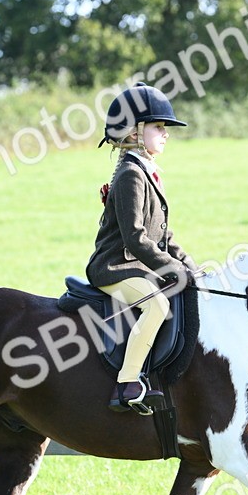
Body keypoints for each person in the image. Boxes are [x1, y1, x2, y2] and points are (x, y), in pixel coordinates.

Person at [85, 82, 197, 413]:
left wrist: (189, 264)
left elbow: (163, 235)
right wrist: (172, 268)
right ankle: (127, 383)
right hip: (114, 266)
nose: (165, 134)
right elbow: (135, 237)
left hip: (135, 264)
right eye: (158, 127)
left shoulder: (146, 172)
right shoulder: (131, 175)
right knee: (157, 305)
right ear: (135, 132)